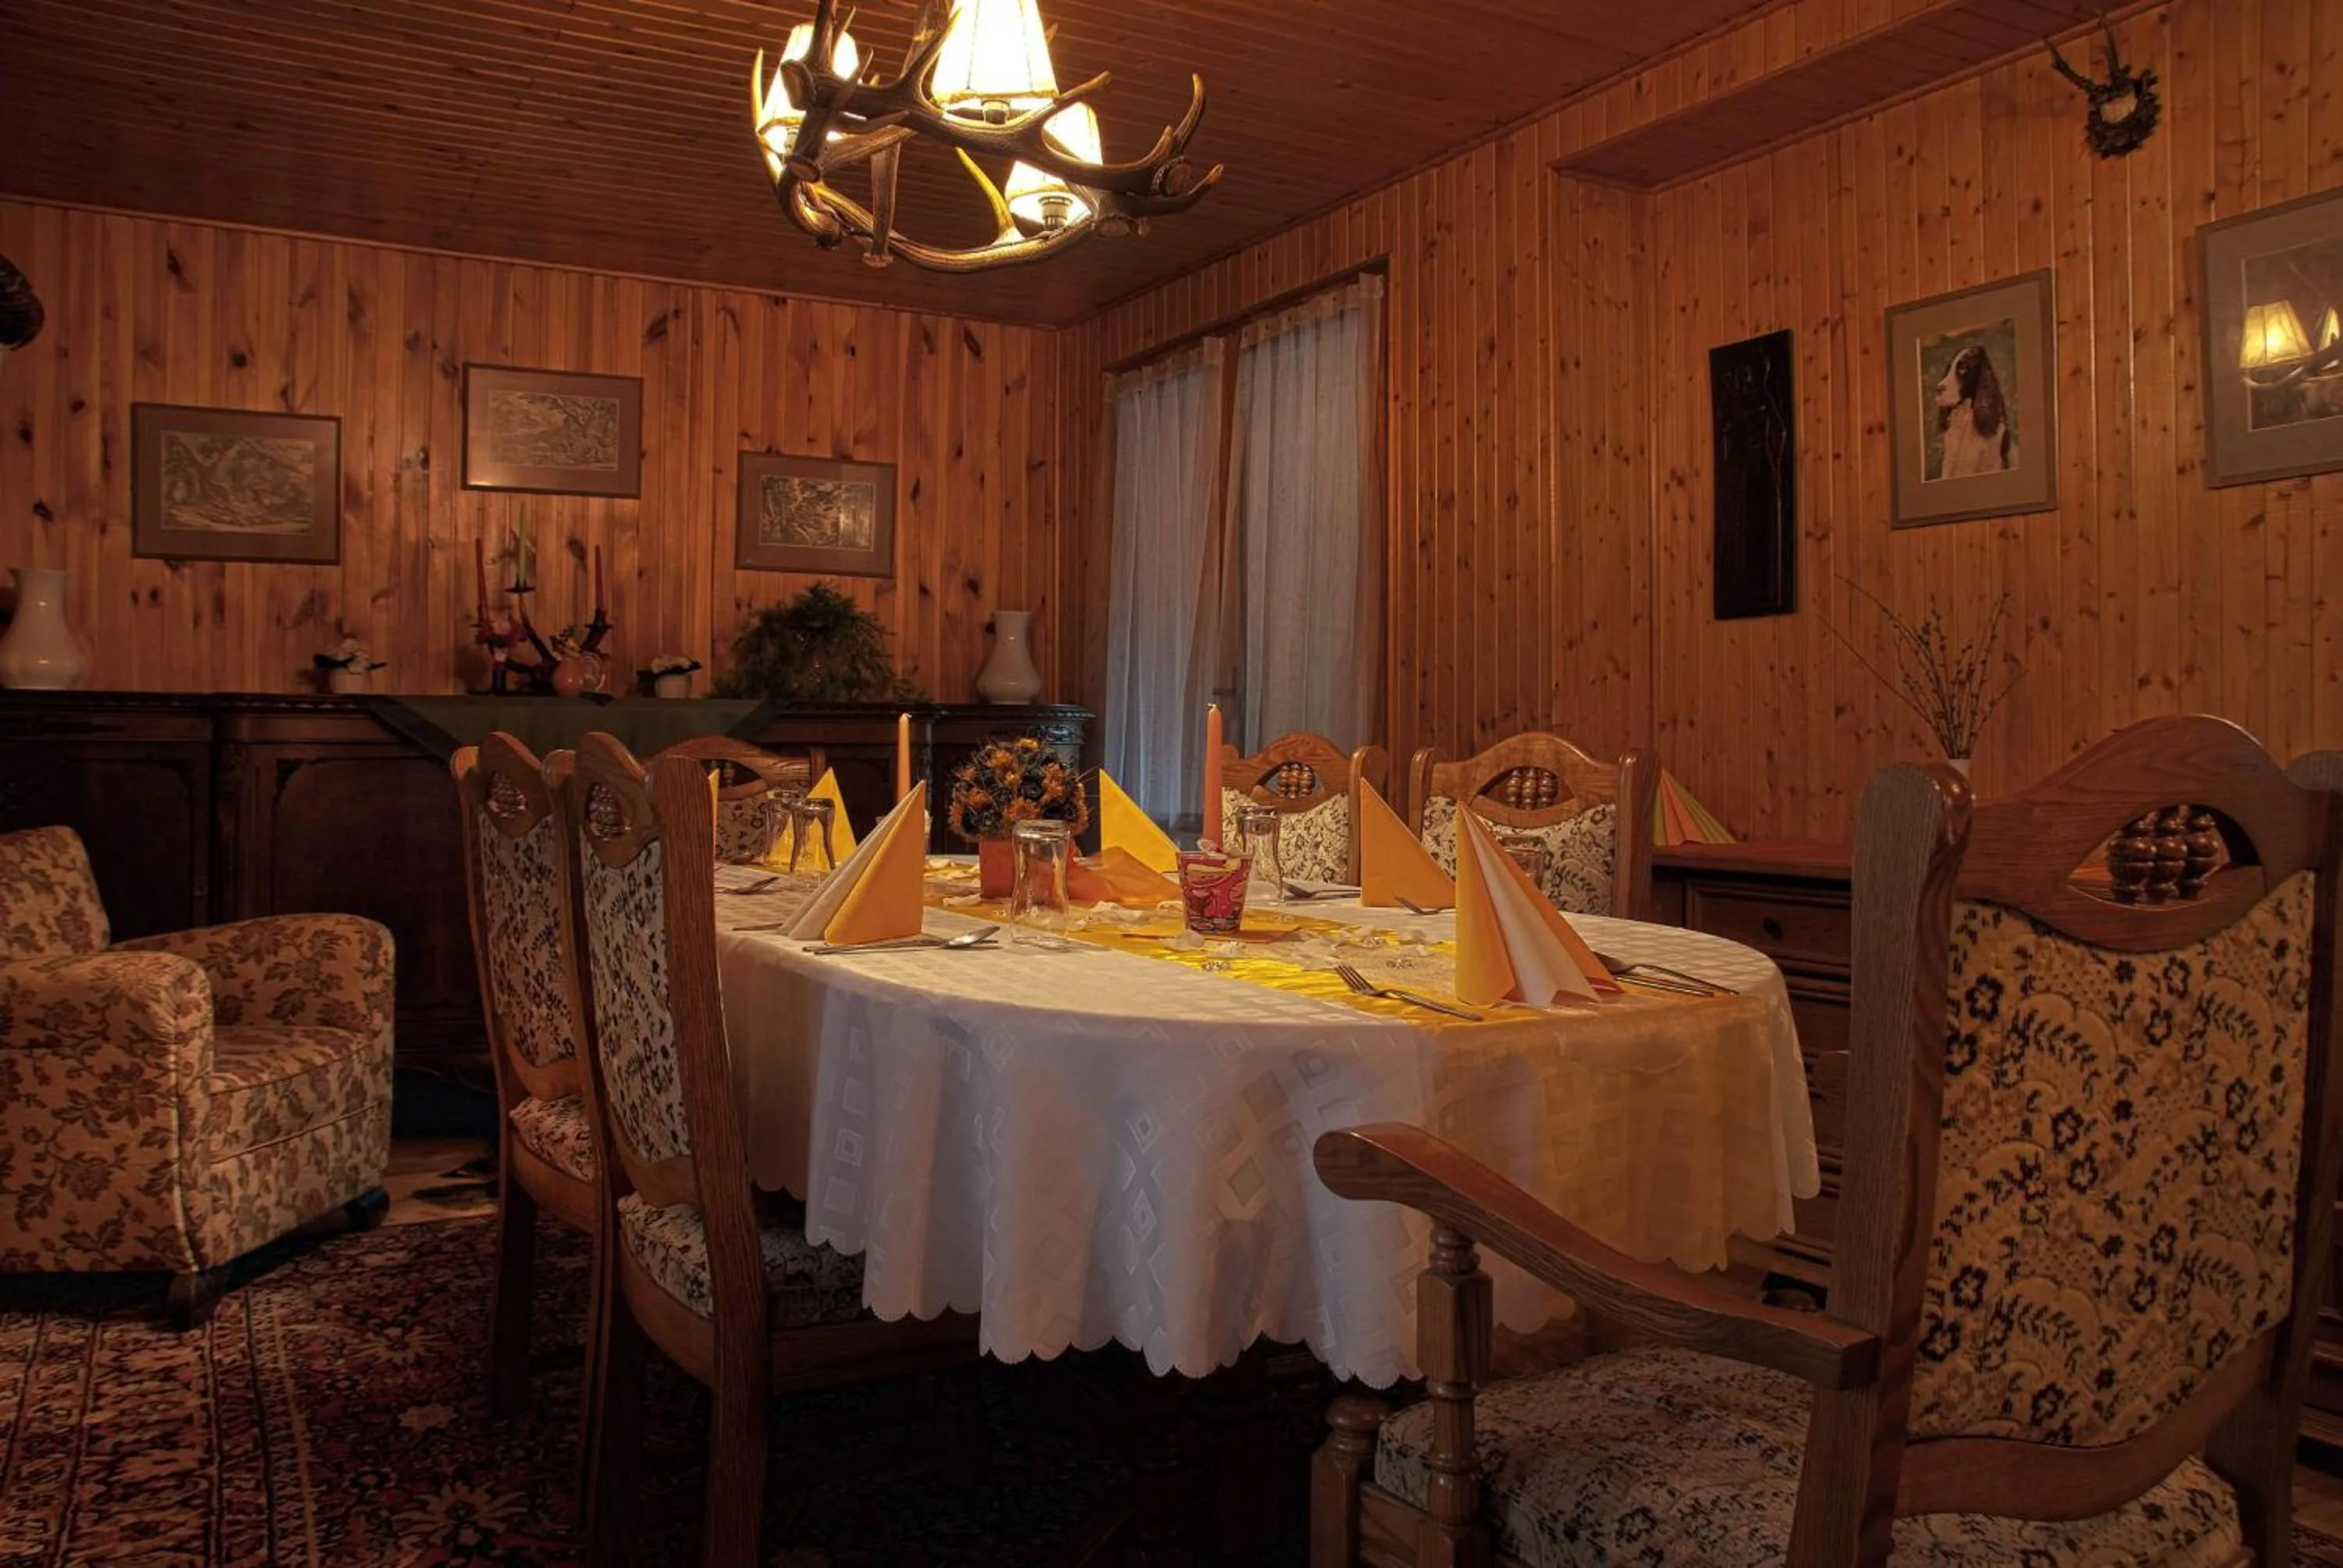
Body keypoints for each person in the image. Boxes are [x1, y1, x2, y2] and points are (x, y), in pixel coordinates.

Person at [1933, 343, 2017, 477]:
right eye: (1951, 369)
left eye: (1963, 369)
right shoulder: (1953, 427)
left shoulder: (1994, 435)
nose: (1942, 383)